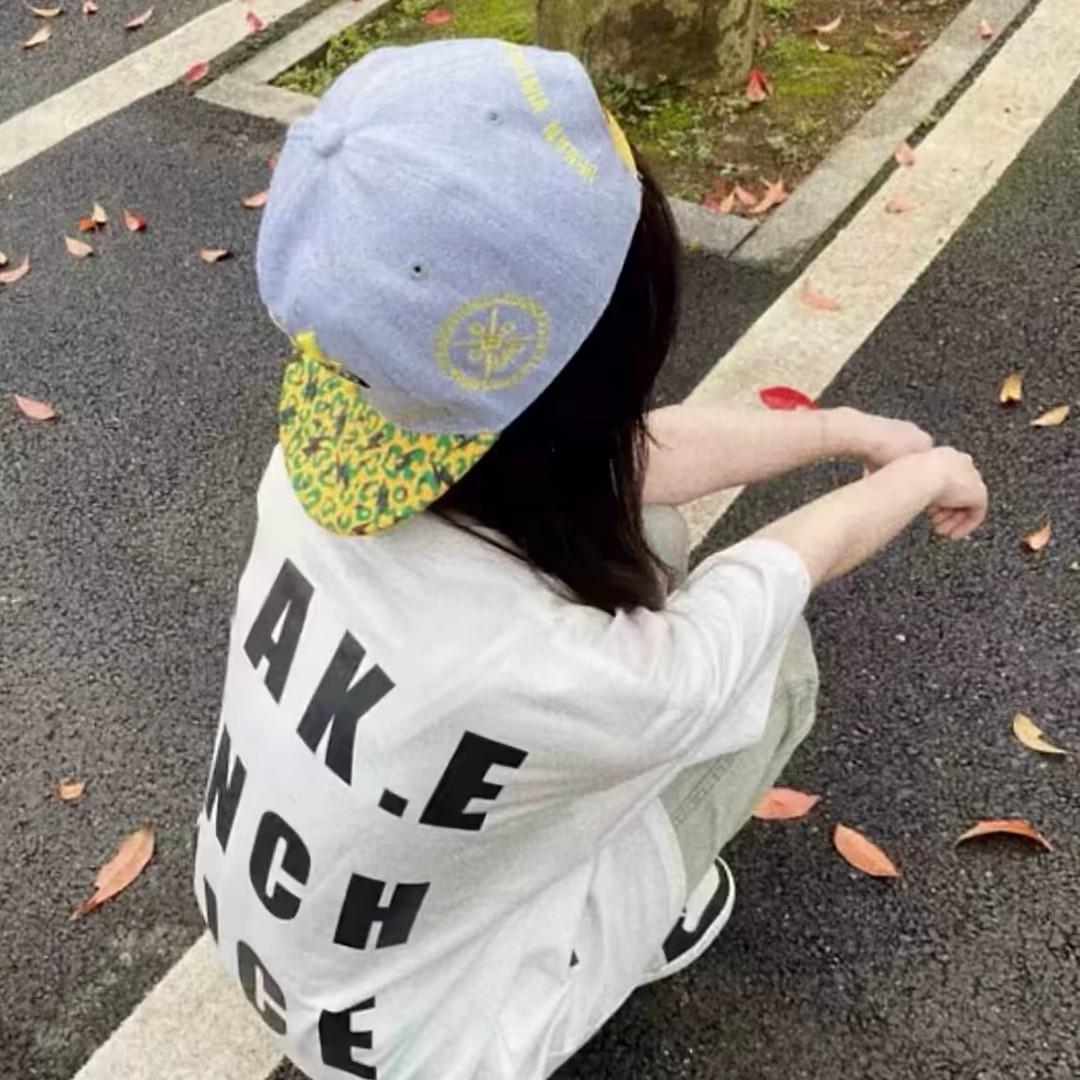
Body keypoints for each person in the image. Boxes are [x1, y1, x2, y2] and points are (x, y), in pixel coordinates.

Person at [192, 38, 989, 1080]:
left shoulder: (316, 466)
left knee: (648, 539)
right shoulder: (565, 670)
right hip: (447, 1046)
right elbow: (768, 580)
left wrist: (844, 432)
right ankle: (638, 922)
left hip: (288, 940)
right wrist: (921, 477)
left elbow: (611, 459)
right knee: (777, 668)